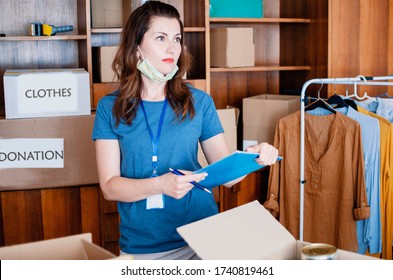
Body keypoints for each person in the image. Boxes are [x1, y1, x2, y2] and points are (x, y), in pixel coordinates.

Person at [92, 1, 279, 260]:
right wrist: (161, 185)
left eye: (177, 39)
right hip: (144, 246)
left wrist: (253, 158)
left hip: (203, 237)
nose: (172, 48)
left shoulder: (199, 101)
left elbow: (227, 176)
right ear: (136, 49)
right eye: (161, 38)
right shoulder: (109, 108)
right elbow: (110, 188)